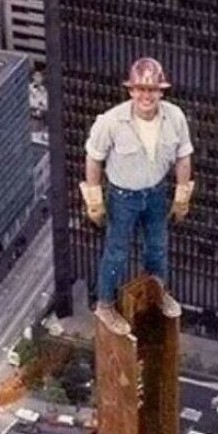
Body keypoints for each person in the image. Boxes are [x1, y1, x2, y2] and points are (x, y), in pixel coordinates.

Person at [80, 57, 194, 334]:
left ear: (161, 91)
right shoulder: (112, 121)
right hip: (122, 198)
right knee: (116, 253)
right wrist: (94, 200)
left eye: (152, 89)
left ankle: (157, 293)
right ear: (131, 91)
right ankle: (105, 305)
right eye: (141, 89)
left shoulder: (174, 117)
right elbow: (94, 159)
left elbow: (183, 156)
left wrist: (182, 194)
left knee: (157, 247)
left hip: (156, 193)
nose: (146, 95)